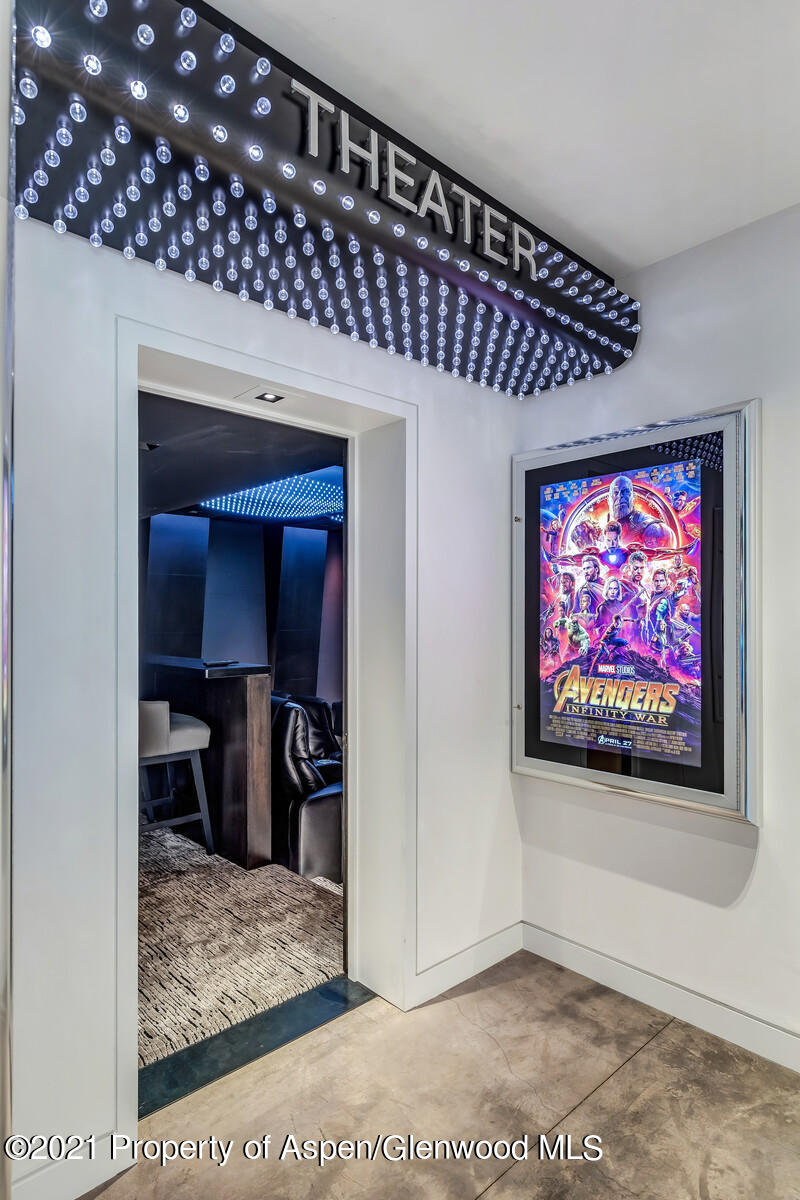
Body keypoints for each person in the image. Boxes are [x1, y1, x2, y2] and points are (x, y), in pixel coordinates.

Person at [607, 474, 671, 547]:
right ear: (608, 500)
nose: (620, 496)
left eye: (625, 491)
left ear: (633, 496)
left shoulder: (653, 529)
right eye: (615, 492)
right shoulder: (602, 531)